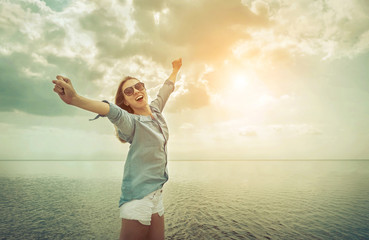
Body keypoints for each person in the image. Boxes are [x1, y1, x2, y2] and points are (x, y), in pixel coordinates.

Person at [51, 58, 182, 240]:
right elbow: (112, 111)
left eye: (138, 86)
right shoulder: (131, 122)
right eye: (129, 91)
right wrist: (75, 99)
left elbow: (166, 88)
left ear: (144, 89)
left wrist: (175, 69)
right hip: (138, 199)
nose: (135, 91)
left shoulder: (156, 111)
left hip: (156, 195)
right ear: (126, 101)